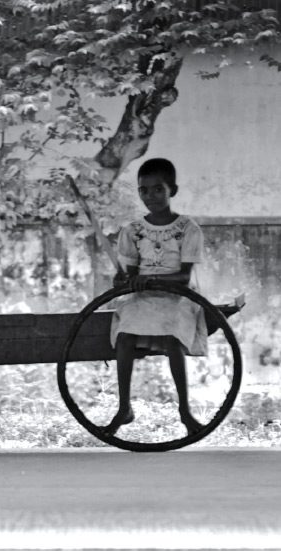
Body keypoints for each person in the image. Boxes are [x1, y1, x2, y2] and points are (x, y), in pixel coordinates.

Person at [105, 158, 208, 436]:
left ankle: (185, 412)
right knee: (125, 336)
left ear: (172, 190)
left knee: (173, 337)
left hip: (178, 298)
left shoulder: (188, 229)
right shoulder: (133, 231)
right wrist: (125, 280)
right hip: (142, 298)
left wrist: (152, 279)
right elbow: (130, 276)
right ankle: (124, 407)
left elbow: (184, 277)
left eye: (158, 189)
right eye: (144, 190)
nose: (151, 196)